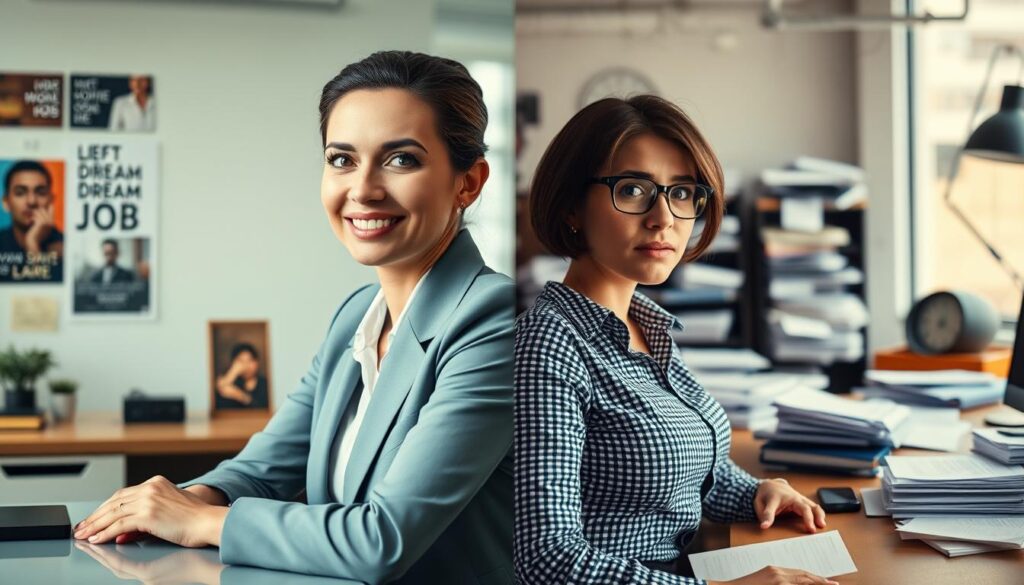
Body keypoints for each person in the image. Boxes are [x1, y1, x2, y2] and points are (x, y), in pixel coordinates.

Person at [74, 51, 514, 584]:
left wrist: (201, 520)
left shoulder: (496, 322)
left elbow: (382, 539)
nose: (363, 188)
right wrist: (173, 504)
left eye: (400, 160)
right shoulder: (358, 315)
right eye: (342, 159)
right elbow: (266, 467)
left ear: (468, 183)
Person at [513, 96, 833, 585]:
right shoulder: (551, 345)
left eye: (682, 193)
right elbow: (547, 558)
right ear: (572, 205)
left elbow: (682, 469)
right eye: (634, 189)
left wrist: (754, 491)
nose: (664, 217)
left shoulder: (648, 324)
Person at [0, 160, 63, 256]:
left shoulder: (67, 246)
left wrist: (32, 243)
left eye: (41, 193)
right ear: (6, 202)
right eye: (20, 193)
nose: (31, 201)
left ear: (51, 201)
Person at [215, 342, 269, 409]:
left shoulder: (265, 384)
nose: (246, 366)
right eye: (241, 361)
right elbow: (219, 393)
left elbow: (264, 409)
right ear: (233, 363)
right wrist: (232, 373)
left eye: (250, 360)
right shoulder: (231, 381)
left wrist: (240, 396)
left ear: (257, 362)